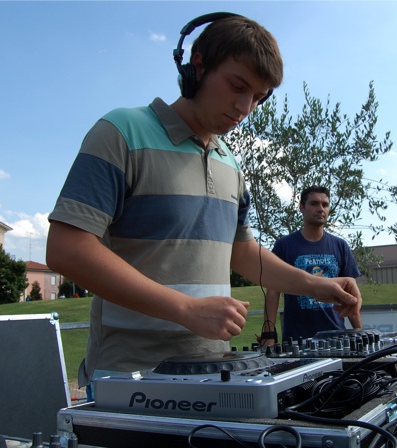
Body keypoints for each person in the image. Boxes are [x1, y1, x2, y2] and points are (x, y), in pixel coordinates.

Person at [45, 14, 362, 396]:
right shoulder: (120, 132)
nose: (244, 107)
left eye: (258, 97)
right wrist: (185, 309)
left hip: (216, 375)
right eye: (237, 86)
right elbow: (67, 249)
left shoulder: (231, 163)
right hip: (129, 379)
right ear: (197, 66)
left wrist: (318, 286)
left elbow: (242, 253)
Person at [262, 186, 363, 346]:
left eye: (325, 204)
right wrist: (268, 334)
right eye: (314, 203)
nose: (320, 209)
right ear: (302, 207)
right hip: (296, 341)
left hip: (336, 338)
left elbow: (350, 297)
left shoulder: (340, 246)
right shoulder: (284, 245)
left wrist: (361, 334)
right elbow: (273, 291)